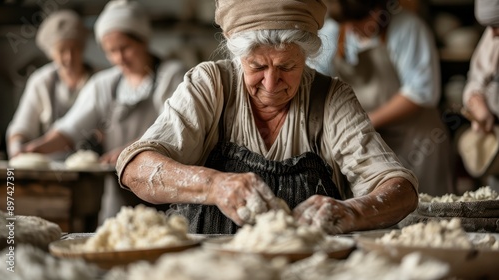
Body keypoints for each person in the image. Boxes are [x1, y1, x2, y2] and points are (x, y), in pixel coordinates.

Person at [116, 0, 419, 235]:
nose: (271, 84)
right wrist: (213, 185)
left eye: (287, 66)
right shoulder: (210, 85)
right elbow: (136, 169)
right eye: (258, 66)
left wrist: (352, 212)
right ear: (237, 56)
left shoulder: (330, 97)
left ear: (306, 56)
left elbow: (399, 190)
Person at [21, 0, 188, 223]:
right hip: (119, 198)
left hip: (166, 191)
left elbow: (171, 127)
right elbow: (71, 128)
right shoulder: (105, 83)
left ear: (143, 40)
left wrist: (130, 150)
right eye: (111, 51)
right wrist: (35, 149)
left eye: (125, 48)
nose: (119, 58)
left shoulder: (171, 75)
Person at [308, 0, 455, 196]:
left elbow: (420, 93)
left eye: (359, 20)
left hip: (417, 143)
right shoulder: (335, 31)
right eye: (347, 22)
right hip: (367, 142)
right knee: (379, 211)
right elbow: (314, 81)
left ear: (378, 9)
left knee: (427, 213)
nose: (351, 29)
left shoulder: (408, 28)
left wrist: (362, 124)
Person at [6, 10, 93, 159]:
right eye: (62, 50)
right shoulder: (41, 81)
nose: (69, 57)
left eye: (75, 49)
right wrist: (17, 147)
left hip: (93, 166)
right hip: (49, 166)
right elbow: (23, 125)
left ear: (83, 47)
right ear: (50, 52)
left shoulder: (100, 80)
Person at [461, 0, 499, 191]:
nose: (493, 33)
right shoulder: (493, 37)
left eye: (497, 26)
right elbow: (476, 78)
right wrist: (477, 102)